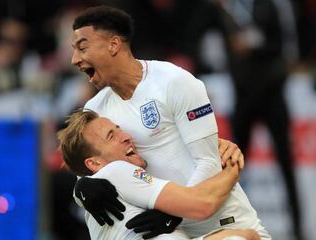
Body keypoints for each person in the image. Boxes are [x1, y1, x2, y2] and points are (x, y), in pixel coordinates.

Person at [70, 5, 270, 239]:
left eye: (82, 47)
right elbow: (92, 167)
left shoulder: (174, 82)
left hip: (223, 222)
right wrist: (81, 188)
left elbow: (209, 161)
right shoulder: (95, 109)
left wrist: (174, 213)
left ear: (114, 45)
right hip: (166, 230)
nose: (74, 59)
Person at [57, 109, 260, 240]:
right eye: (112, 137)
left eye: (119, 129)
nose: (126, 137)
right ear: (94, 163)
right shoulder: (116, 171)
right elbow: (202, 204)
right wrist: (232, 168)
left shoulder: (107, 194)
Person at [214, 1, 303, 239]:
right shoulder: (225, 8)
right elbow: (223, 45)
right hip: (244, 96)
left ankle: (298, 225)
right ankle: (230, 223)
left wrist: (254, 44)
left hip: (271, 93)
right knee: (234, 164)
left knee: (286, 162)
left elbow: (281, 45)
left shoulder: (267, 5)